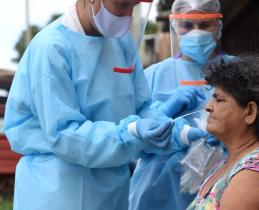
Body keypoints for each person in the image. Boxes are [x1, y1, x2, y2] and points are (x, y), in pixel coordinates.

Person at [2, 0, 201, 210]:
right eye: (122, 5)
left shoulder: (121, 42)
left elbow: (142, 107)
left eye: (132, 7)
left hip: (114, 187)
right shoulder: (51, 48)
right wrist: (130, 132)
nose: (127, 15)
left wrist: (179, 132)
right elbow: (64, 134)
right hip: (60, 189)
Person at [129, 0, 233, 209]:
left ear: (218, 27)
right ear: (175, 26)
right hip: (157, 192)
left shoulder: (238, 71)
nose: (196, 32)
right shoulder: (151, 76)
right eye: (187, 25)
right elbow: (131, 145)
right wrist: (163, 118)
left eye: (205, 25)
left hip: (223, 185)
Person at [187, 55, 259, 209]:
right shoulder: (233, 162)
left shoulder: (257, 173)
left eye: (219, 100)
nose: (208, 107)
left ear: (250, 112)